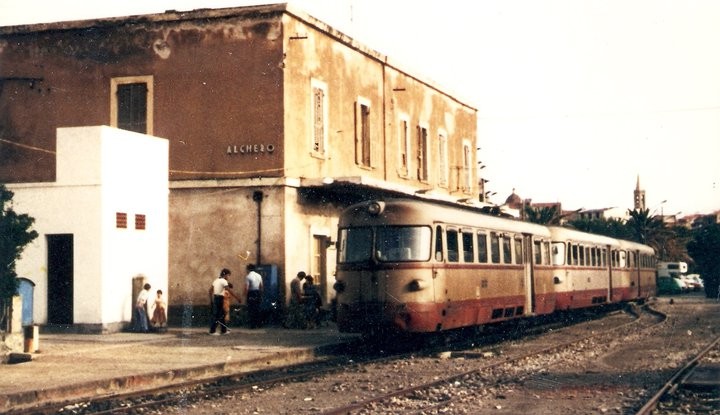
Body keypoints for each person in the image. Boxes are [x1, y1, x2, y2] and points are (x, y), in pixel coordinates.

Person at [209, 268, 233, 335]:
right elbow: (229, 290)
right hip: (220, 298)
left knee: (221, 315)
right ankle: (212, 331)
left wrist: (211, 300)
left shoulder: (216, 280)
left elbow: (210, 291)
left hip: (216, 298)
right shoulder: (224, 281)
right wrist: (237, 298)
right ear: (225, 275)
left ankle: (223, 330)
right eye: (228, 275)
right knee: (218, 315)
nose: (228, 277)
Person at [244, 264, 264, 328]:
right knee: (257, 308)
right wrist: (261, 295)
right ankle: (259, 324)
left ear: (248, 269)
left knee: (251, 309)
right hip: (257, 292)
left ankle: (253, 325)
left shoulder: (248, 276)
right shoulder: (259, 276)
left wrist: (245, 296)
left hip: (251, 293)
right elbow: (261, 286)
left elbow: (247, 288)